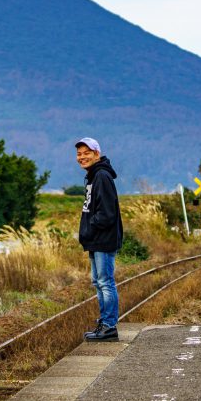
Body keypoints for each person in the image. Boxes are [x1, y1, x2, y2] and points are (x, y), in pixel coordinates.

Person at [75, 137, 123, 342]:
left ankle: (109, 326)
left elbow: (106, 214)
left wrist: (89, 228)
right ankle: (104, 323)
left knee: (105, 282)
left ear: (97, 154)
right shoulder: (93, 176)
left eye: (87, 153)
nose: (82, 157)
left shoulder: (101, 176)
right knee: (98, 281)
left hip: (103, 239)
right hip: (96, 239)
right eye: (79, 154)